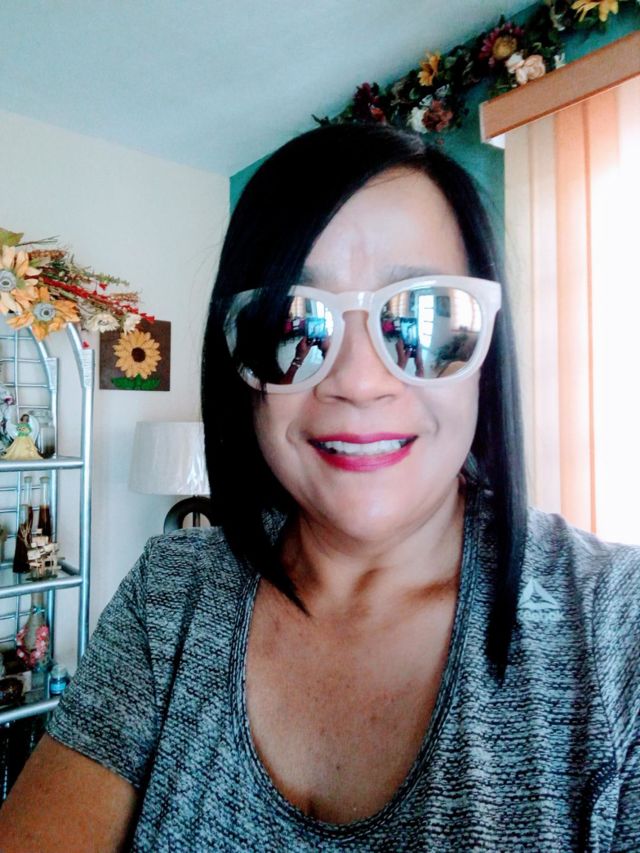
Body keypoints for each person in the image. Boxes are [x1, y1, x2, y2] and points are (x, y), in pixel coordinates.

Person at [0, 124, 638, 851]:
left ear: (488, 351)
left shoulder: (614, 629)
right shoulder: (169, 595)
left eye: (425, 315)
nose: (359, 382)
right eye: (293, 321)